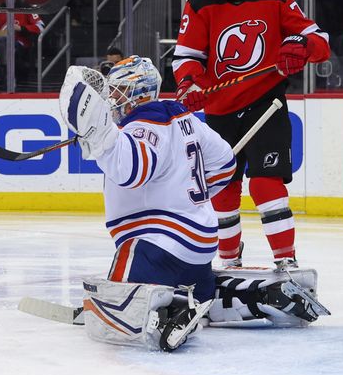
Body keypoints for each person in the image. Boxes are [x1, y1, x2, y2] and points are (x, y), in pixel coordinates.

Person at [58, 57, 324, 351]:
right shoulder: (187, 121)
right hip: (199, 251)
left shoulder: (143, 126)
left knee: (117, 290)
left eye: (118, 91)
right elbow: (225, 162)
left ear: (139, 93)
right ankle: (255, 295)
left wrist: (102, 139)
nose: (112, 98)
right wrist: (186, 189)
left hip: (156, 247)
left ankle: (167, 311)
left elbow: (130, 170)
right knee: (198, 288)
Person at [172, 0, 330, 270]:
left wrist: (300, 46)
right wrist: (190, 83)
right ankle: (229, 261)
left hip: (265, 104)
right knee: (224, 190)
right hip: (219, 112)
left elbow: (319, 42)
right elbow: (187, 57)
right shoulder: (200, 4)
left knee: (264, 183)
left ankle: (285, 260)